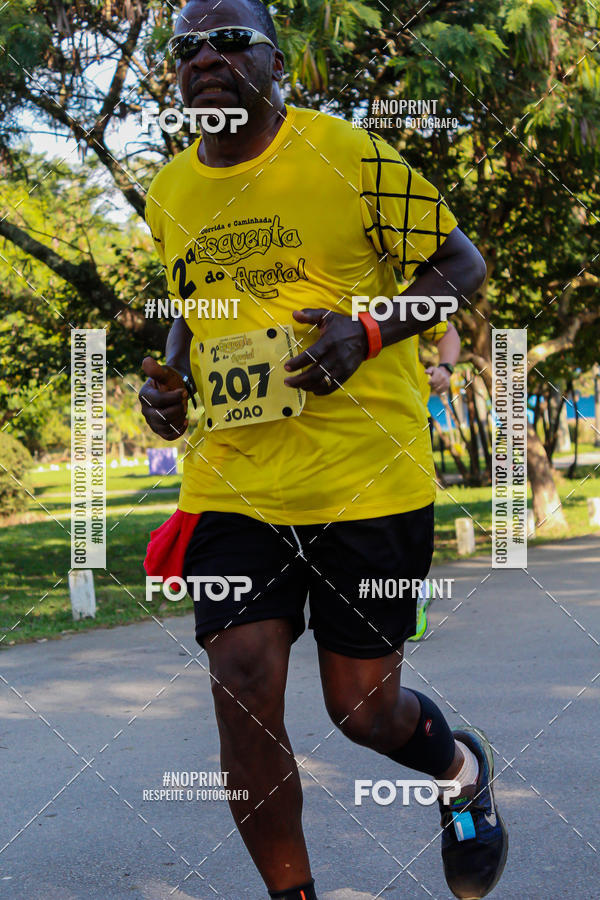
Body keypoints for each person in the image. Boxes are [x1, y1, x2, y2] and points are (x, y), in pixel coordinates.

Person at [139, 2, 508, 898]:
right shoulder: (169, 192)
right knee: (242, 678)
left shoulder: (352, 156)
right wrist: (172, 385)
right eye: (188, 46)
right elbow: (197, 306)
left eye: (231, 41)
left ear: (277, 64)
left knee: (362, 711)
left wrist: (372, 331)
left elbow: (463, 268)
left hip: (366, 482)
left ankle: (459, 772)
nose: (208, 58)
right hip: (236, 482)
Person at [408, 319, 461, 641]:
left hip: (399, 425)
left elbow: (448, 333)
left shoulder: (400, 296)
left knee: (402, 519)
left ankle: (411, 592)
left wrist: (445, 369)